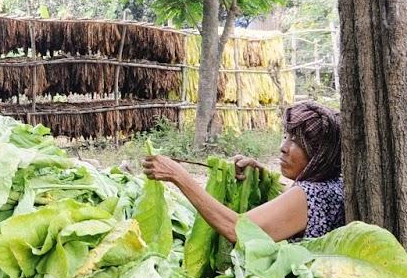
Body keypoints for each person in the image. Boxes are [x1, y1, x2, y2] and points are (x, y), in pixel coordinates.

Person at [142, 101, 345, 243]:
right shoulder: (333, 185)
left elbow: (237, 230)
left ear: (320, 155)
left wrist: (179, 177)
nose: (284, 147)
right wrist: (264, 176)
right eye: (287, 136)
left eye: (297, 142)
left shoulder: (309, 193)